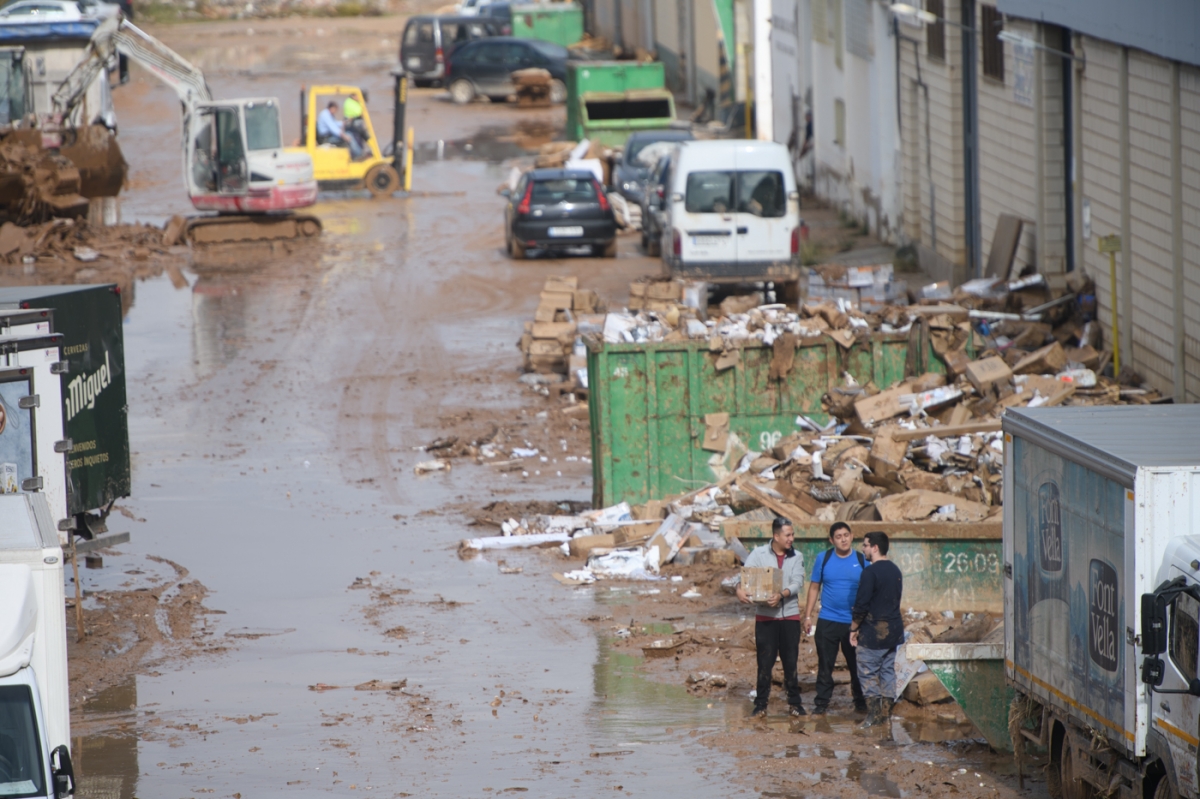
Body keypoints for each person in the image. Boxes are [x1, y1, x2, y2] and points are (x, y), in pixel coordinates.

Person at [736, 517, 806, 717]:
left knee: (790, 661)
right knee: (764, 662)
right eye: (788, 535)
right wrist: (739, 590)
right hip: (765, 618)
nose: (791, 538)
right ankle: (760, 705)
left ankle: (795, 703)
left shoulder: (797, 556)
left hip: (790, 616)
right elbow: (744, 578)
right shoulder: (758, 554)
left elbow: (797, 582)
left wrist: (782, 594)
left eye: (792, 534)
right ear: (776, 536)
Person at [802, 521, 867, 716]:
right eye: (838, 537)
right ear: (832, 540)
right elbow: (814, 588)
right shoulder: (824, 558)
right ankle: (821, 704)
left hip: (853, 624)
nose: (843, 539)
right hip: (827, 620)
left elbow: (869, 589)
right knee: (825, 665)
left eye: (846, 535)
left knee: (856, 665)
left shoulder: (862, 559)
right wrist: (807, 616)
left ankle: (861, 703)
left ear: (852, 536)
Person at [849, 531, 904, 728]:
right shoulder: (895, 570)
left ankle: (873, 715)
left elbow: (861, 604)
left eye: (865, 545)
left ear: (875, 548)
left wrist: (853, 628)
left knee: (867, 672)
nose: (862, 549)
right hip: (893, 632)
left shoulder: (869, 572)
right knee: (888, 672)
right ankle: (886, 715)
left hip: (874, 633)